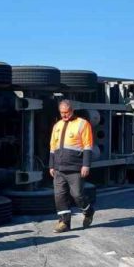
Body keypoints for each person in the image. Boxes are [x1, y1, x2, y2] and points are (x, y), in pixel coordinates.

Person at [49, 99, 95, 233]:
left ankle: (88, 212)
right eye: (62, 112)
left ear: (72, 110)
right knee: (59, 196)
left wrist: (86, 165)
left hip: (75, 167)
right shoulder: (57, 125)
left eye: (66, 112)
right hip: (59, 168)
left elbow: (87, 146)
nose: (64, 115)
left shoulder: (82, 124)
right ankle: (64, 222)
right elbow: (52, 147)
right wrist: (51, 165)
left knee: (77, 195)